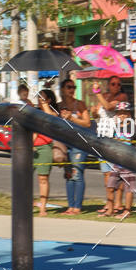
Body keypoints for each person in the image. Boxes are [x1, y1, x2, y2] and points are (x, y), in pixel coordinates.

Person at [92, 77, 129, 212]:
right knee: (106, 174)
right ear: (108, 85)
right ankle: (109, 203)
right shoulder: (105, 96)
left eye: (118, 84)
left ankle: (117, 203)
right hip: (101, 137)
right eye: (113, 84)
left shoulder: (122, 96)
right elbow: (96, 114)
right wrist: (94, 110)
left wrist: (97, 94)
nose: (116, 86)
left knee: (116, 174)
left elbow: (108, 107)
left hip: (114, 138)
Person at [98, 101, 136, 220]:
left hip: (128, 162)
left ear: (129, 114)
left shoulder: (132, 127)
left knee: (128, 188)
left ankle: (127, 211)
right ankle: (110, 210)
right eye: (119, 113)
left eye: (124, 113)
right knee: (110, 186)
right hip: (117, 162)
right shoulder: (117, 127)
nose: (122, 115)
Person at [59, 78, 91, 215]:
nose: (72, 90)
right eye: (69, 87)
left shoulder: (80, 105)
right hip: (65, 143)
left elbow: (87, 123)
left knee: (77, 175)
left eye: (73, 87)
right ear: (62, 90)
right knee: (68, 175)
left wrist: (72, 118)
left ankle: (77, 207)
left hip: (79, 143)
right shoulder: (59, 105)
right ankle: (70, 206)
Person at [33, 89, 59, 217]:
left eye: (42, 97)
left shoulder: (53, 113)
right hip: (30, 148)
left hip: (45, 147)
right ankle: (28, 203)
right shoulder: (33, 111)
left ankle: (43, 207)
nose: (39, 99)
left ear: (48, 100)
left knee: (43, 178)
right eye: (38, 97)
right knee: (23, 177)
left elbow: (50, 118)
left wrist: (44, 105)